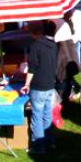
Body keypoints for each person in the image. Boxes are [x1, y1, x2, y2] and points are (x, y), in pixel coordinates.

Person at [21, 20, 58, 154]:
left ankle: (38, 146)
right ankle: (49, 141)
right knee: (47, 114)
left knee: (37, 115)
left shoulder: (36, 46)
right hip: (50, 83)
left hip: (39, 85)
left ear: (31, 32)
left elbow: (32, 68)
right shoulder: (53, 44)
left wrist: (26, 84)